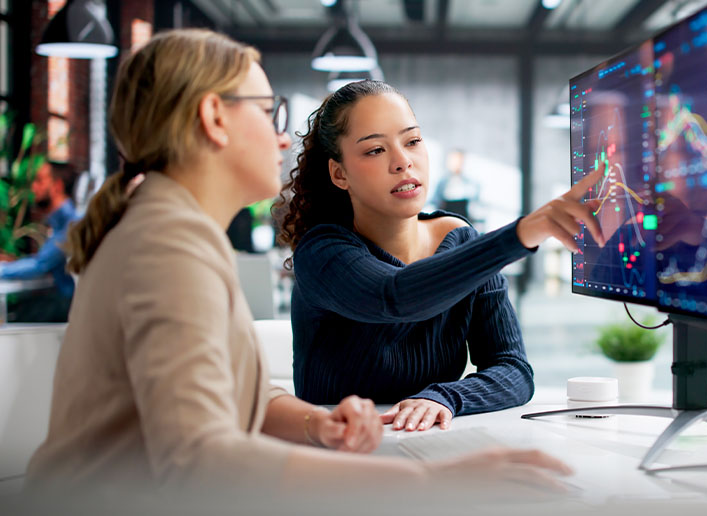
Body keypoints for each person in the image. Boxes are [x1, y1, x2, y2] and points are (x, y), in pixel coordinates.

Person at [25, 29, 573, 499]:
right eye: (268, 112)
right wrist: (432, 485)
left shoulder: (181, 232)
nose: (282, 136)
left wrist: (317, 422)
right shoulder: (165, 246)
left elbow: (228, 398)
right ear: (214, 117)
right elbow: (199, 455)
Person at [277, 80, 606, 433]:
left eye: (413, 141)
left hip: (433, 450)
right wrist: (521, 233)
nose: (403, 162)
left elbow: (513, 370)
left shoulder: (462, 241)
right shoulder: (322, 253)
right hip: (334, 463)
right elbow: (395, 296)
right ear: (339, 174)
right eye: (375, 150)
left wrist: (444, 397)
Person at [0, 160, 81, 322]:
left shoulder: (71, 224)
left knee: (13, 317)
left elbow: (41, 265)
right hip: (61, 302)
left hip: (67, 306)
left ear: (57, 186)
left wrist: (3, 269)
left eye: (40, 181)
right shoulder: (60, 223)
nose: (33, 188)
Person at [430, 148, 479, 221]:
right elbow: (434, 201)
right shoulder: (442, 182)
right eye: (454, 160)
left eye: (460, 160)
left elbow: (474, 206)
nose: (457, 163)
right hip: (444, 218)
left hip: (463, 219)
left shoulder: (470, 184)